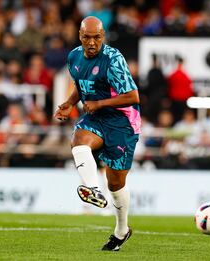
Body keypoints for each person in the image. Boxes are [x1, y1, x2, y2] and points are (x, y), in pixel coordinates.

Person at [54, 16, 141, 251]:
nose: (92, 43)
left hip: (122, 122)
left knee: (115, 183)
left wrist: (100, 103)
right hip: (96, 117)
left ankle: (122, 230)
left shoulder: (113, 60)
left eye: (97, 37)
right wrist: (70, 103)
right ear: (79, 36)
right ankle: (92, 188)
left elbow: (133, 97)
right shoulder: (73, 56)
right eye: (87, 37)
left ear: (103, 37)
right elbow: (80, 84)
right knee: (79, 140)